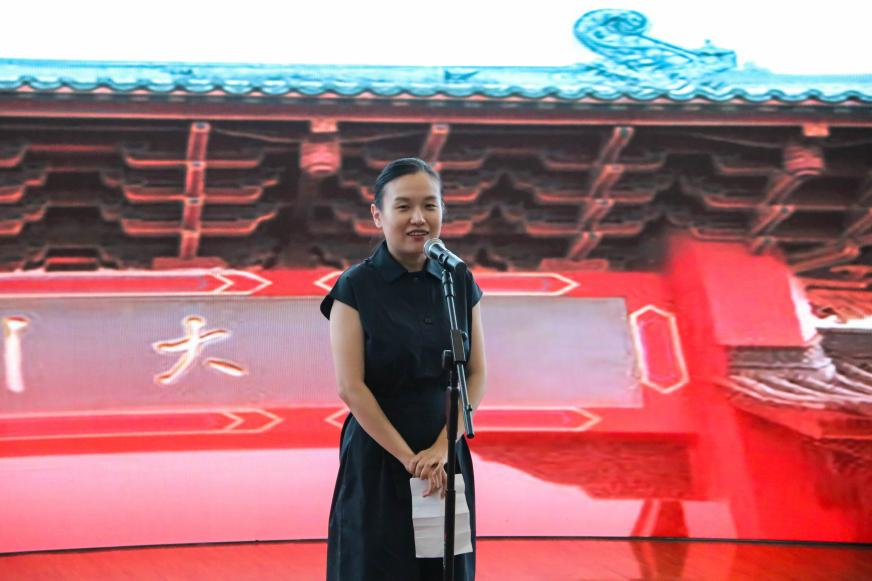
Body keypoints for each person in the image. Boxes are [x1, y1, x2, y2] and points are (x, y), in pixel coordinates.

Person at [320, 157, 487, 580]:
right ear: (378, 215)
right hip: (380, 455)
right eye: (404, 206)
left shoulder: (458, 280)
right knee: (375, 565)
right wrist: (410, 458)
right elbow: (350, 386)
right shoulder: (355, 286)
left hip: (444, 453)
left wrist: (441, 449)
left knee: (444, 568)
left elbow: (475, 374)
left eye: (430, 205)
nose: (419, 218)